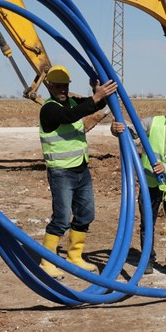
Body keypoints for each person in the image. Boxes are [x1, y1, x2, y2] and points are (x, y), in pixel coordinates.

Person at [38, 65, 118, 279]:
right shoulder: (50, 109)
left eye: (64, 86)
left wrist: (98, 92)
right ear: (50, 87)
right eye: (57, 86)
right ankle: (48, 261)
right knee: (62, 218)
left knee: (86, 214)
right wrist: (94, 99)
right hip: (61, 172)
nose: (61, 89)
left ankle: (74, 255)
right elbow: (69, 116)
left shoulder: (73, 102)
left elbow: (97, 103)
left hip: (81, 169)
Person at [110, 90, 166, 278]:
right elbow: (129, 132)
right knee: (148, 223)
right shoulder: (153, 122)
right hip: (149, 183)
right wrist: (116, 129)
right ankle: (147, 259)